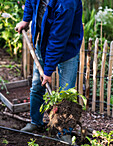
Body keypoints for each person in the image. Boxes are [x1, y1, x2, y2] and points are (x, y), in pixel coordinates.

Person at [16, 0, 83, 132]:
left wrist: (48, 72)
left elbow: (57, 39)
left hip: (68, 48)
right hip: (43, 43)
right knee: (37, 86)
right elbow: (30, 2)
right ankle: (36, 122)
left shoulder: (67, 3)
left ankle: (64, 132)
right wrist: (26, 19)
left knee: (66, 94)